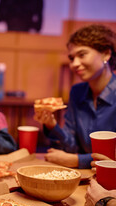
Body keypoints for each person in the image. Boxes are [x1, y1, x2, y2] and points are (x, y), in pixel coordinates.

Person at [34, 24, 116, 168]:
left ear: (106, 54)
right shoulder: (77, 92)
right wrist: (51, 124)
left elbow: (111, 155)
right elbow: (71, 146)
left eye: (82, 55)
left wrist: (77, 161)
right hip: (85, 178)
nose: (74, 64)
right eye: (72, 58)